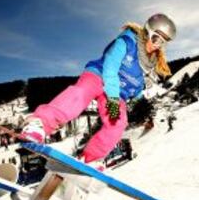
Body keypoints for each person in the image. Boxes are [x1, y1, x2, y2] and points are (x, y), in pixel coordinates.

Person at [21, 13, 176, 165]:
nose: (157, 45)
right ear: (147, 31)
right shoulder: (127, 42)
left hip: (116, 96)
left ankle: (89, 159)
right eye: (156, 38)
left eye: (163, 43)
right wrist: (114, 97)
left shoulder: (150, 65)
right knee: (80, 94)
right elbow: (110, 67)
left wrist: (137, 97)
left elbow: (136, 88)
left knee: (118, 123)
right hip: (99, 77)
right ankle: (39, 124)